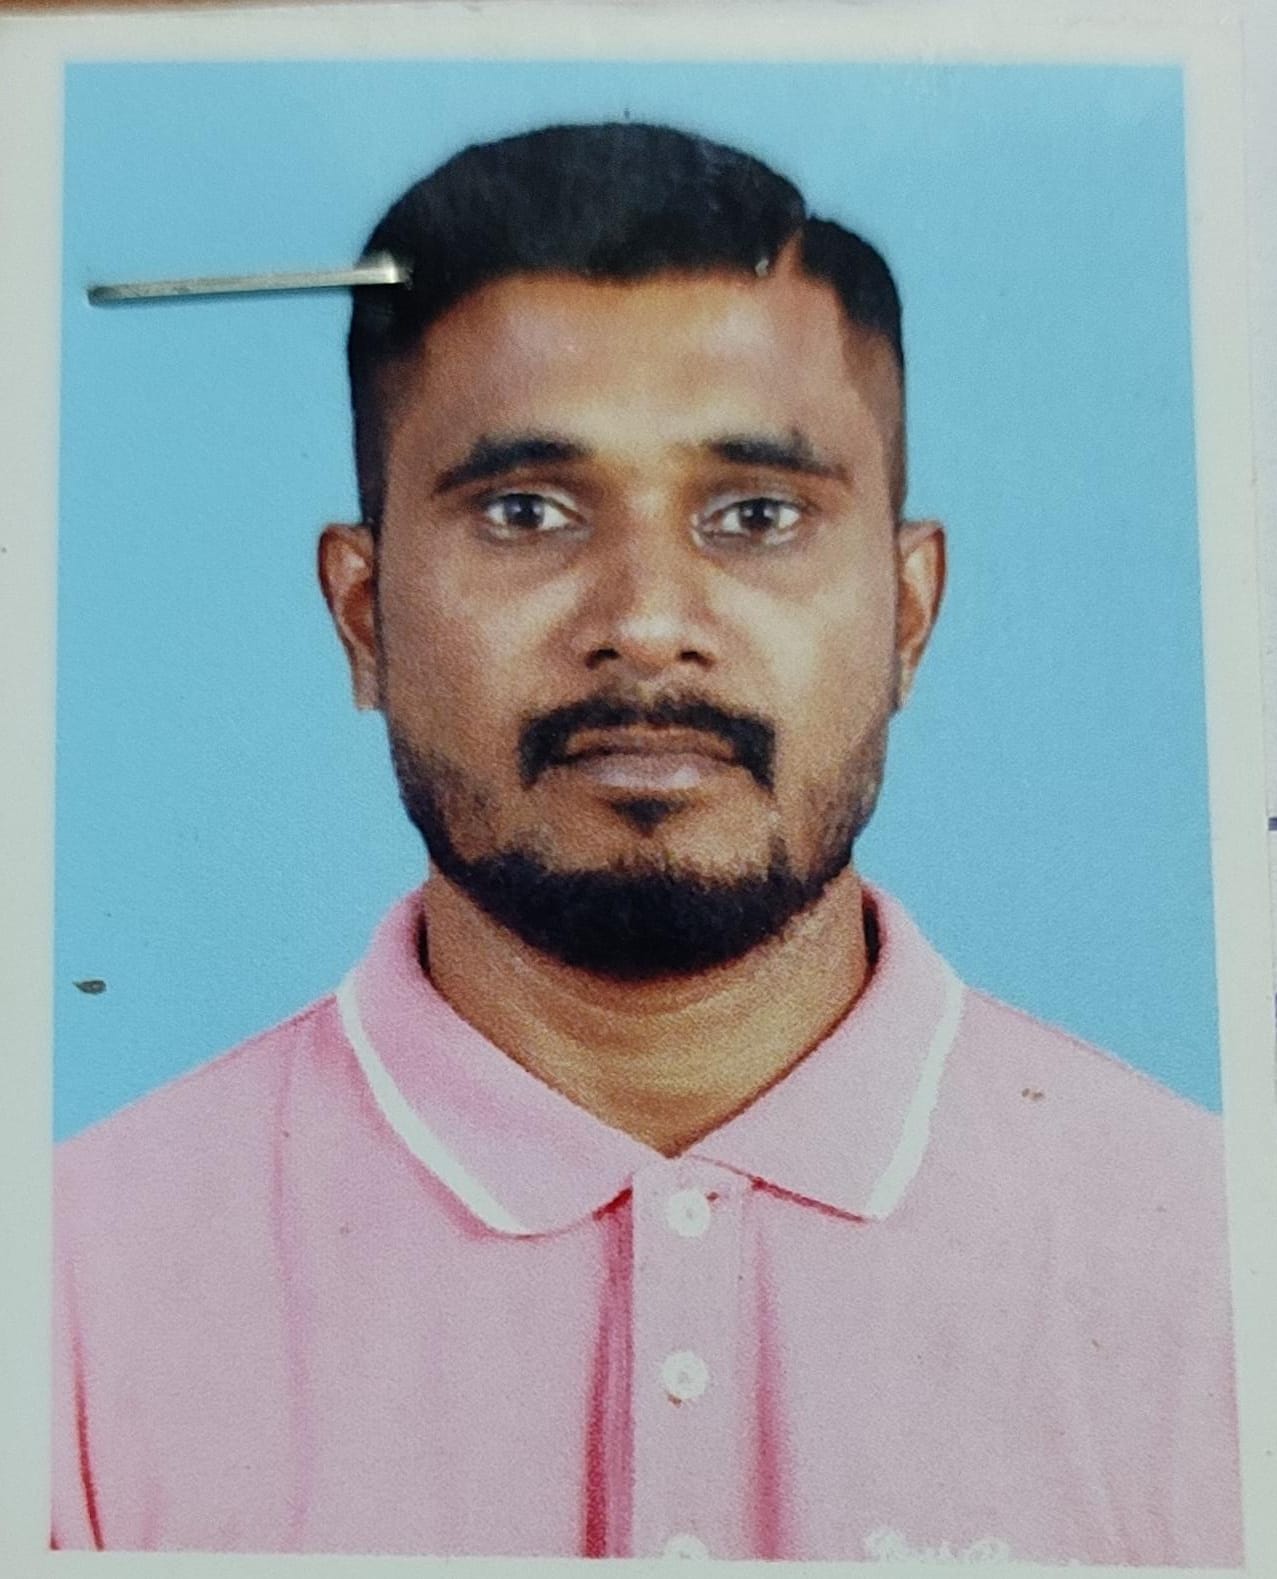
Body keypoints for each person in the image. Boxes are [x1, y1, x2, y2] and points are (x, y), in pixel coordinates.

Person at [52, 122, 1242, 1563]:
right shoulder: (64, 1289)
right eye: (525, 511)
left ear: (908, 612)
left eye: (757, 514)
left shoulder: (1222, 1263)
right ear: (363, 617)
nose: (647, 622)